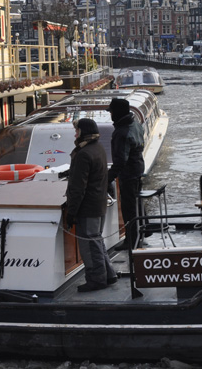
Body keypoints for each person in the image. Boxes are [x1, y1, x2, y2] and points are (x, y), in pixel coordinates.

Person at [65, 118, 117, 292]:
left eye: (77, 130)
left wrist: (71, 212)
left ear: (82, 132)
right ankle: (108, 274)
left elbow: (78, 187)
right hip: (98, 203)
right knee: (96, 240)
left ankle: (96, 279)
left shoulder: (84, 153)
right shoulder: (98, 148)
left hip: (88, 207)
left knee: (89, 244)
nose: (75, 134)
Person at [107, 97, 146, 250]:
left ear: (116, 113)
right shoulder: (135, 124)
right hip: (138, 169)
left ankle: (131, 241)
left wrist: (108, 178)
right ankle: (144, 231)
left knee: (129, 208)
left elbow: (120, 160)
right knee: (136, 203)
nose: (110, 115)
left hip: (128, 174)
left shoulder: (121, 133)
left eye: (111, 112)